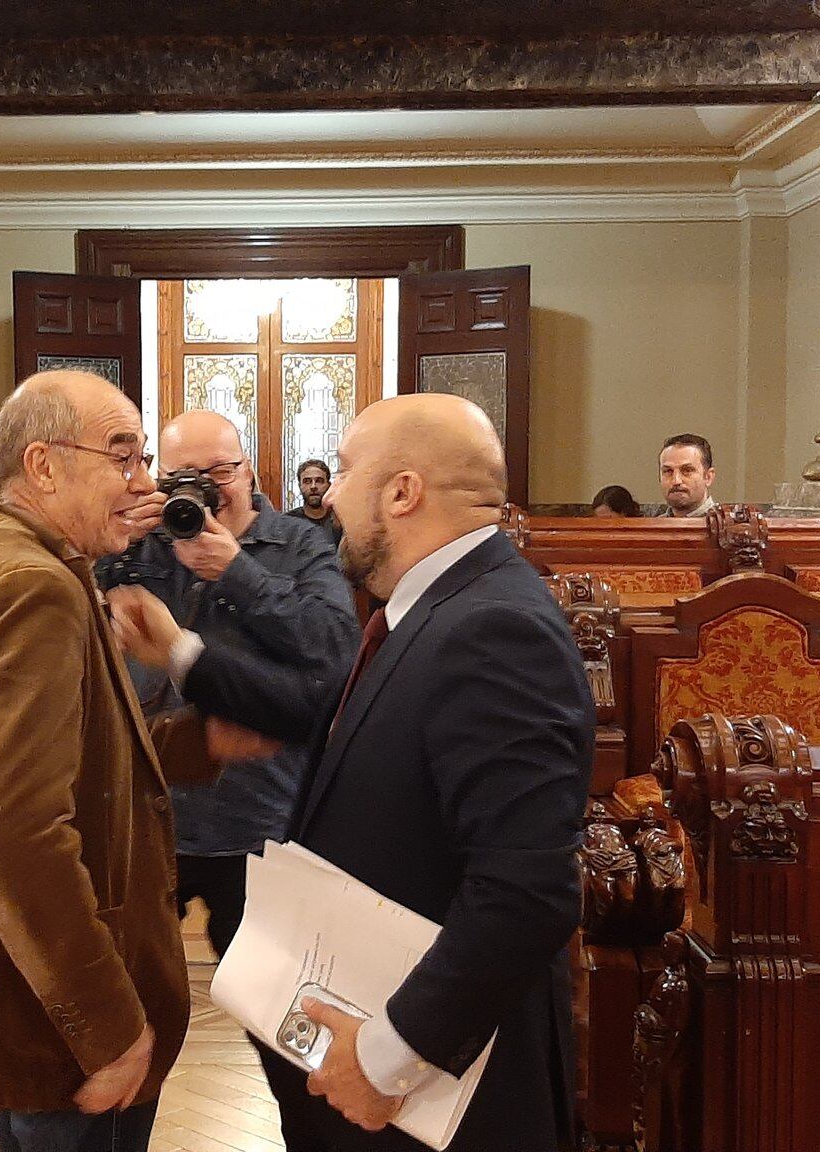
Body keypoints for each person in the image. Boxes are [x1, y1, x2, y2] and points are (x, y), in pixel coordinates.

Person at [110, 393, 595, 1152]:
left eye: (343, 470)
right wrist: (177, 654)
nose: (327, 493)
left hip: (441, 1083)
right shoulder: (434, 606)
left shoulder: (495, 627)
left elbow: (525, 892)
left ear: (403, 492)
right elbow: (318, 712)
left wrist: (388, 1056)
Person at [0, 370, 266, 1152]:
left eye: (144, 458)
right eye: (122, 457)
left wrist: (200, 744)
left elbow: (62, 759)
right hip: (45, 1017)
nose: (145, 482)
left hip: (10, 989)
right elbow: (15, 833)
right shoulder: (34, 588)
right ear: (44, 465)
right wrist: (109, 1027)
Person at [98, 411, 359, 1151]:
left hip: (265, 823)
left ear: (249, 470)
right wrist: (124, 532)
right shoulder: (141, 544)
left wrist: (234, 570)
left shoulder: (301, 544)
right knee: (126, 1031)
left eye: (218, 472)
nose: (202, 490)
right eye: (183, 475)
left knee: (292, 1041)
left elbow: (333, 659)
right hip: (148, 824)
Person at [655, 433, 717, 517]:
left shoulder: (730, 528)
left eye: (687, 470)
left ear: (708, 477)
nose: (676, 480)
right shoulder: (650, 528)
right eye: (668, 471)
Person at [287, 459, 344, 545]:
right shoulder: (288, 522)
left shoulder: (340, 522)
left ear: (329, 485)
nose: (313, 486)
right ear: (300, 486)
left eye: (319, 481)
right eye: (307, 481)